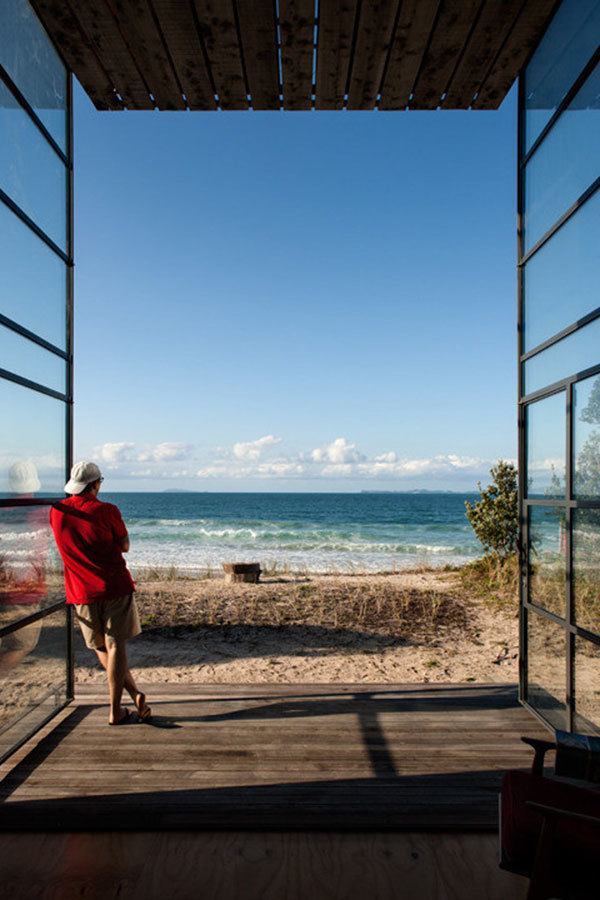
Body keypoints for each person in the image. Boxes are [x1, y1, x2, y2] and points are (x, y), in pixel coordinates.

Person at [50, 461, 151, 725]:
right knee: (115, 645)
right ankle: (115, 711)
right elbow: (125, 545)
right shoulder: (107, 510)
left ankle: (135, 694)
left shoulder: (57, 512)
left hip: (80, 591)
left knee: (100, 646)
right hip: (114, 586)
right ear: (95, 484)